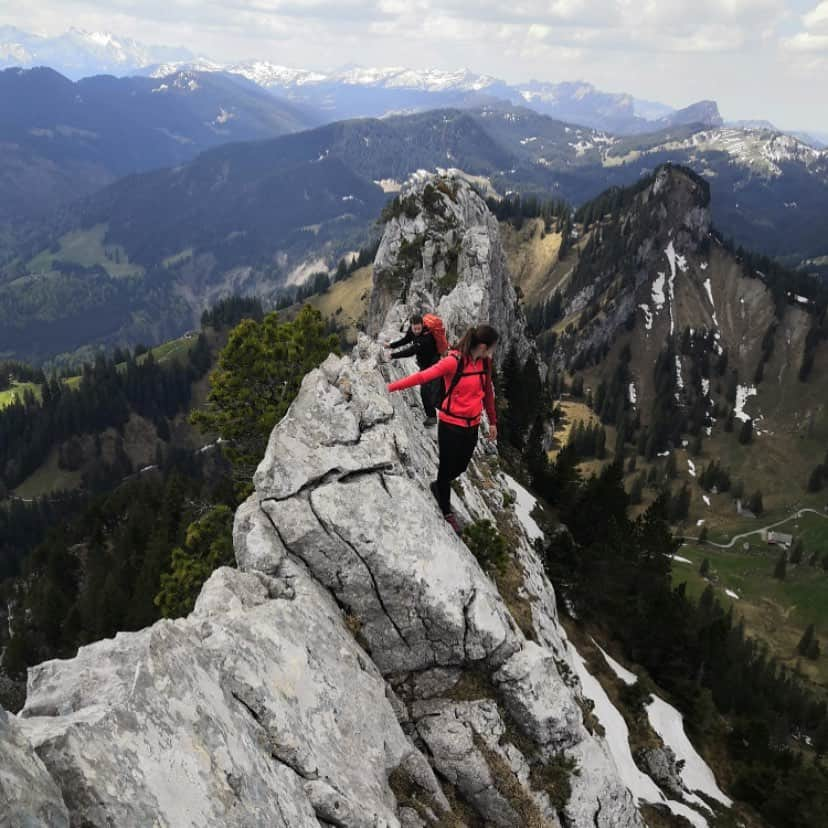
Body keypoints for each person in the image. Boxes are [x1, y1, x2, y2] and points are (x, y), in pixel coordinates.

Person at [386, 324, 499, 533]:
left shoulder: (485, 363)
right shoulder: (453, 362)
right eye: (492, 347)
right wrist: (390, 388)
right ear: (483, 346)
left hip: (472, 426)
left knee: (461, 467)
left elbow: (488, 394)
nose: (493, 351)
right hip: (450, 426)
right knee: (446, 472)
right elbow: (422, 377)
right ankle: (446, 511)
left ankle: (439, 485)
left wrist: (492, 421)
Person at [385, 314, 442, 426]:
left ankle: (432, 417)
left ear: (422, 326)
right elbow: (406, 340)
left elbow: (410, 351)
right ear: (411, 326)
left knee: (425, 391)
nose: (416, 331)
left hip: (433, 364)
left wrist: (393, 355)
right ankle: (433, 415)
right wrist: (391, 346)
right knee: (430, 390)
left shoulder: (426, 338)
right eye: (414, 328)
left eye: (418, 328)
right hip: (425, 364)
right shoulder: (412, 332)